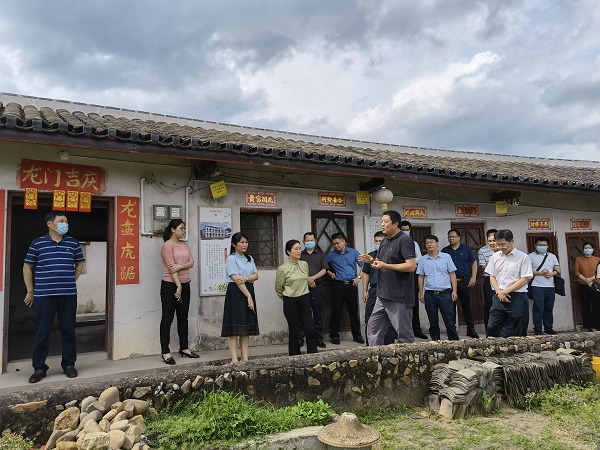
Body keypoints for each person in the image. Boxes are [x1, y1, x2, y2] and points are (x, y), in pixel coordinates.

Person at [23, 211, 85, 383]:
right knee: (42, 332)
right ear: (50, 224)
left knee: (68, 330)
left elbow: (80, 263)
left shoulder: (73, 243)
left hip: (68, 294)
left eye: (66, 221)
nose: (66, 223)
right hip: (44, 295)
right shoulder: (37, 243)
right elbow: (27, 267)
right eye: (61, 221)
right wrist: (30, 291)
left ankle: (69, 365)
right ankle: (39, 368)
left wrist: (71, 279)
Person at [359, 210, 417, 344]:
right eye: (381, 221)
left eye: (386, 222)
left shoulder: (405, 240)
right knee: (373, 329)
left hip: (399, 296)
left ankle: (407, 357)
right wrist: (371, 261)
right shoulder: (385, 241)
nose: (382, 224)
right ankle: (374, 355)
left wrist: (386, 265)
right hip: (382, 294)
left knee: (404, 335)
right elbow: (379, 263)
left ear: (395, 224)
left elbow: (411, 266)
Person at [159, 219, 197, 365]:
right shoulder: (167, 245)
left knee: (183, 317)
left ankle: (184, 348)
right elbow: (171, 267)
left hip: (185, 284)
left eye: (184, 228)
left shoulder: (185, 245)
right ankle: (165, 352)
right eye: (181, 228)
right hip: (170, 285)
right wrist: (178, 286)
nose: (184, 231)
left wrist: (180, 266)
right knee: (167, 318)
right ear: (173, 229)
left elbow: (191, 263)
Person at [485, 229, 533, 337]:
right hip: (498, 296)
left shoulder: (523, 257)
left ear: (512, 241)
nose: (500, 247)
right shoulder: (495, 257)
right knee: (492, 326)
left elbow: (525, 279)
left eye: (503, 244)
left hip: (517, 297)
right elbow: (492, 276)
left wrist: (505, 292)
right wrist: (499, 292)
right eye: (498, 244)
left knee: (517, 328)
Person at [222, 232, 260, 363]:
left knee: (245, 326)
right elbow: (237, 279)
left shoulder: (249, 258)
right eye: (242, 242)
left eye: (246, 242)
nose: (245, 245)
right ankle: (234, 359)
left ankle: (245, 358)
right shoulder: (231, 259)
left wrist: (247, 278)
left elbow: (256, 275)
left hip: (248, 289)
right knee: (234, 327)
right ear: (234, 244)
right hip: (236, 293)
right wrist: (249, 296)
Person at [276, 240, 318, 356]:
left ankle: (314, 356)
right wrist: (287, 297)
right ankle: (294, 357)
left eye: (300, 248)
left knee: (310, 329)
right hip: (290, 301)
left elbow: (305, 280)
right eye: (296, 249)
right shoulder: (283, 268)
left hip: (305, 299)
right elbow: (279, 287)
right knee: (294, 331)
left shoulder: (304, 264)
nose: (299, 251)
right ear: (288, 252)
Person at [417, 235, 459, 341]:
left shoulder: (446, 257)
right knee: (433, 321)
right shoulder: (423, 259)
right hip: (430, 294)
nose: (429, 244)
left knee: (449, 320)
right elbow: (421, 277)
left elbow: (452, 274)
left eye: (431, 242)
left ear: (437, 244)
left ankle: (454, 342)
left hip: (445, 293)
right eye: (427, 243)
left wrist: (454, 291)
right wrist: (421, 293)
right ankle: (436, 342)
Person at [326, 233, 365, 345]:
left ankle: (357, 335)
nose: (336, 246)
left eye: (337, 243)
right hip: (338, 285)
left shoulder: (353, 252)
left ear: (343, 241)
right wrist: (329, 273)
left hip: (352, 285)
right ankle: (334, 335)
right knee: (336, 311)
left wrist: (359, 277)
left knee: (353, 311)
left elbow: (364, 265)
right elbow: (322, 265)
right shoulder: (331, 255)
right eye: (334, 244)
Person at [442, 229, 479, 338]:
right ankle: (452, 331)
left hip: (464, 281)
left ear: (459, 238)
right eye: (449, 237)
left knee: (466, 306)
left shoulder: (466, 249)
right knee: (450, 307)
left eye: (453, 236)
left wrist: (473, 277)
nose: (451, 238)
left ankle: (470, 329)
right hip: (449, 283)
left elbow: (474, 263)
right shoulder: (445, 251)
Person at [362, 231, 395, 345]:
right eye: (376, 241)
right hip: (374, 289)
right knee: (370, 319)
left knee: (388, 319)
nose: (378, 243)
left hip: (388, 290)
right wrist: (365, 291)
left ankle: (388, 346)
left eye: (380, 241)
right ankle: (370, 346)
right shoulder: (370, 256)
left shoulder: (391, 255)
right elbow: (366, 273)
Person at [400, 220, 428, 340]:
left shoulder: (413, 243)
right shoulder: (394, 242)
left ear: (410, 230)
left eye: (407, 230)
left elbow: (419, 259)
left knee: (413, 303)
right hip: (398, 274)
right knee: (398, 303)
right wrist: (410, 260)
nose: (405, 232)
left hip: (412, 274)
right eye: (403, 230)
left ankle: (416, 329)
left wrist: (406, 261)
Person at [299, 232, 328, 348]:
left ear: (315, 241)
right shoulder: (300, 255)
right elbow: (297, 269)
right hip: (302, 287)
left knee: (317, 313)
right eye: (307, 241)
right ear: (303, 242)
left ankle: (318, 338)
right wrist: (307, 279)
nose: (309, 242)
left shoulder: (320, 254)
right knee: (302, 313)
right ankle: (300, 338)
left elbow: (324, 269)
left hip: (317, 286)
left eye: (311, 240)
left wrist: (313, 278)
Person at [528, 237, 560, 335]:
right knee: (538, 307)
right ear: (535, 245)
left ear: (548, 246)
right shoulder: (530, 256)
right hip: (536, 286)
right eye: (540, 245)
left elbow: (558, 269)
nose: (542, 247)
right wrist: (540, 273)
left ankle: (548, 328)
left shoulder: (552, 256)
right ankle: (538, 329)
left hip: (550, 286)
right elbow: (528, 270)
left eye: (544, 245)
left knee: (549, 308)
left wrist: (551, 274)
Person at [574, 242, 600, 332]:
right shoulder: (578, 259)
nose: (587, 249)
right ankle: (588, 326)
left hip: (595, 284)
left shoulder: (597, 259)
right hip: (583, 284)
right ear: (583, 249)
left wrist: (591, 279)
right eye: (585, 248)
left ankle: (597, 325)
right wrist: (585, 280)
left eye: (589, 248)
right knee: (585, 305)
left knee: (597, 305)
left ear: (593, 249)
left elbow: (599, 272)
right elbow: (576, 272)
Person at [478, 229, 498, 332]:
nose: (492, 242)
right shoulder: (483, 250)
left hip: (503, 280)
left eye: (494, 240)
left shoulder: (503, 249)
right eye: (490, 240)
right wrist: (495, 271)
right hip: (489, 279)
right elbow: (482, 266)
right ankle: (489, 330)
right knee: (490, 304)